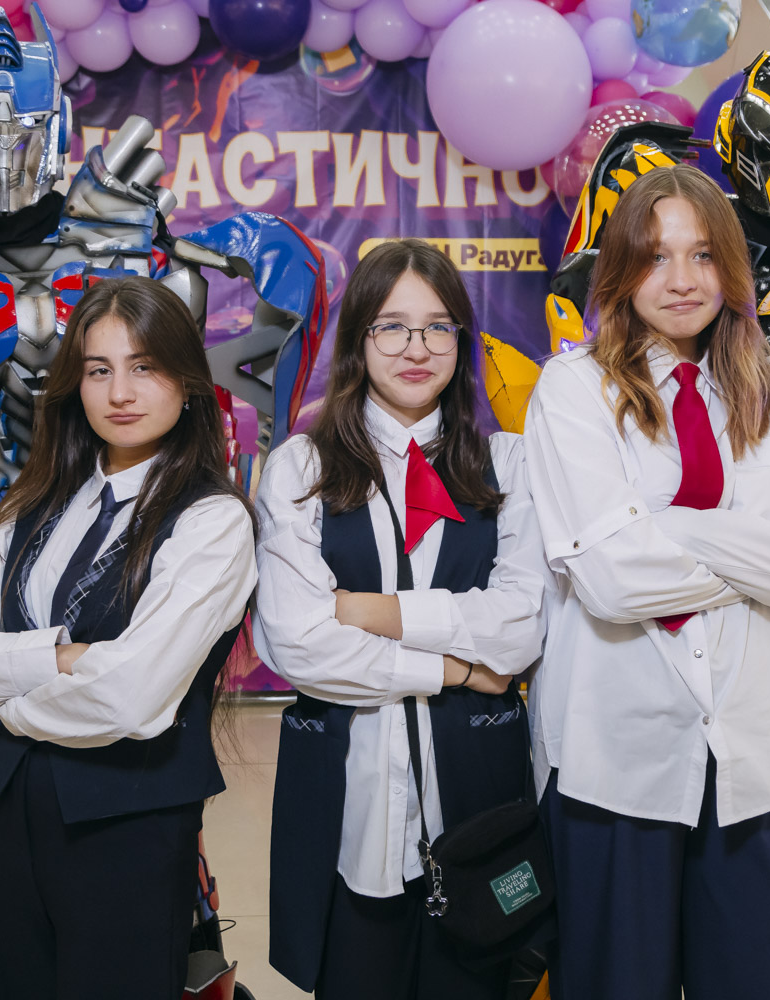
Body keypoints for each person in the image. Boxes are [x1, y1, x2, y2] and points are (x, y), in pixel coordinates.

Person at [522, 165, 770, 999]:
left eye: (703, 254)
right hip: (615, 760)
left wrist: (672, 526)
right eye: (656, 256)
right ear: (620, 271)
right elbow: (613, 580)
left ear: (732, 269)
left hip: (756, 757)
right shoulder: (574, 390)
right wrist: (760, 564)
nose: (681, 279)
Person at [0, 277, 257, 1000]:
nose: (120, 393)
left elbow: (130, 699)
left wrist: (6, 690)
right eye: (99, 370)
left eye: (145, 367)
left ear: (188, 383)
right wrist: (58, 657)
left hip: (128, 824)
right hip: (10, 813)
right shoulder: (31, 506)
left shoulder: (212, 522)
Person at [254, 239, 548, 1000]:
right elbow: (297, 644)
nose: (416, 348)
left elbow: (520, 628)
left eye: (437, 327)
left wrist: (368, 610)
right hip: (351, 805)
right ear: (358, 339)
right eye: (391, 326)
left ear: (461, 340)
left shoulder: (509, 464)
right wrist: (454, 668)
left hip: (480, 799)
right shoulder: (302, 469)